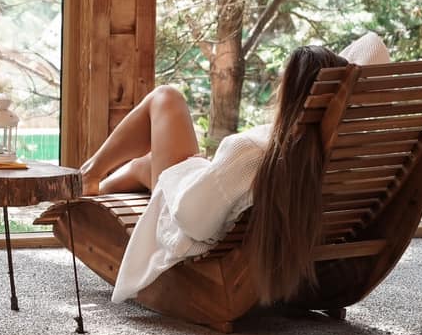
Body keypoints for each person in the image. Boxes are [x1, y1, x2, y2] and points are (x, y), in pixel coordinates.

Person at [79, 30, 390, 307]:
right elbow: (373, 45)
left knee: (166, 97)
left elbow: (191, 220)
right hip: (228, 192)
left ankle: (89, 176)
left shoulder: (251, 150)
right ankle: (96, 186)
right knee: (144, 164)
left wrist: (179, 174)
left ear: (289, 93)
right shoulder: (340, 142)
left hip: (197, 221)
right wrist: (339, 80)